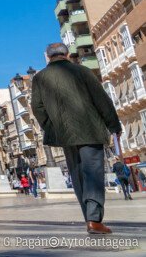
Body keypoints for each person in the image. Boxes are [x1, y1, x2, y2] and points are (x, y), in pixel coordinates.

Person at [31, 42, 122, 235]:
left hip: (65, 134)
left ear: (49, 57)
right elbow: (102, 99)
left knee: (78, 176)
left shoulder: (39, 78)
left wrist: (51, 126)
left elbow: (37, 107)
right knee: (93, 174)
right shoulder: (82, 71)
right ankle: (94, 220)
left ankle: (90, 219)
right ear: (67, 54)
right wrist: (113, 125)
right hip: (90, 130)